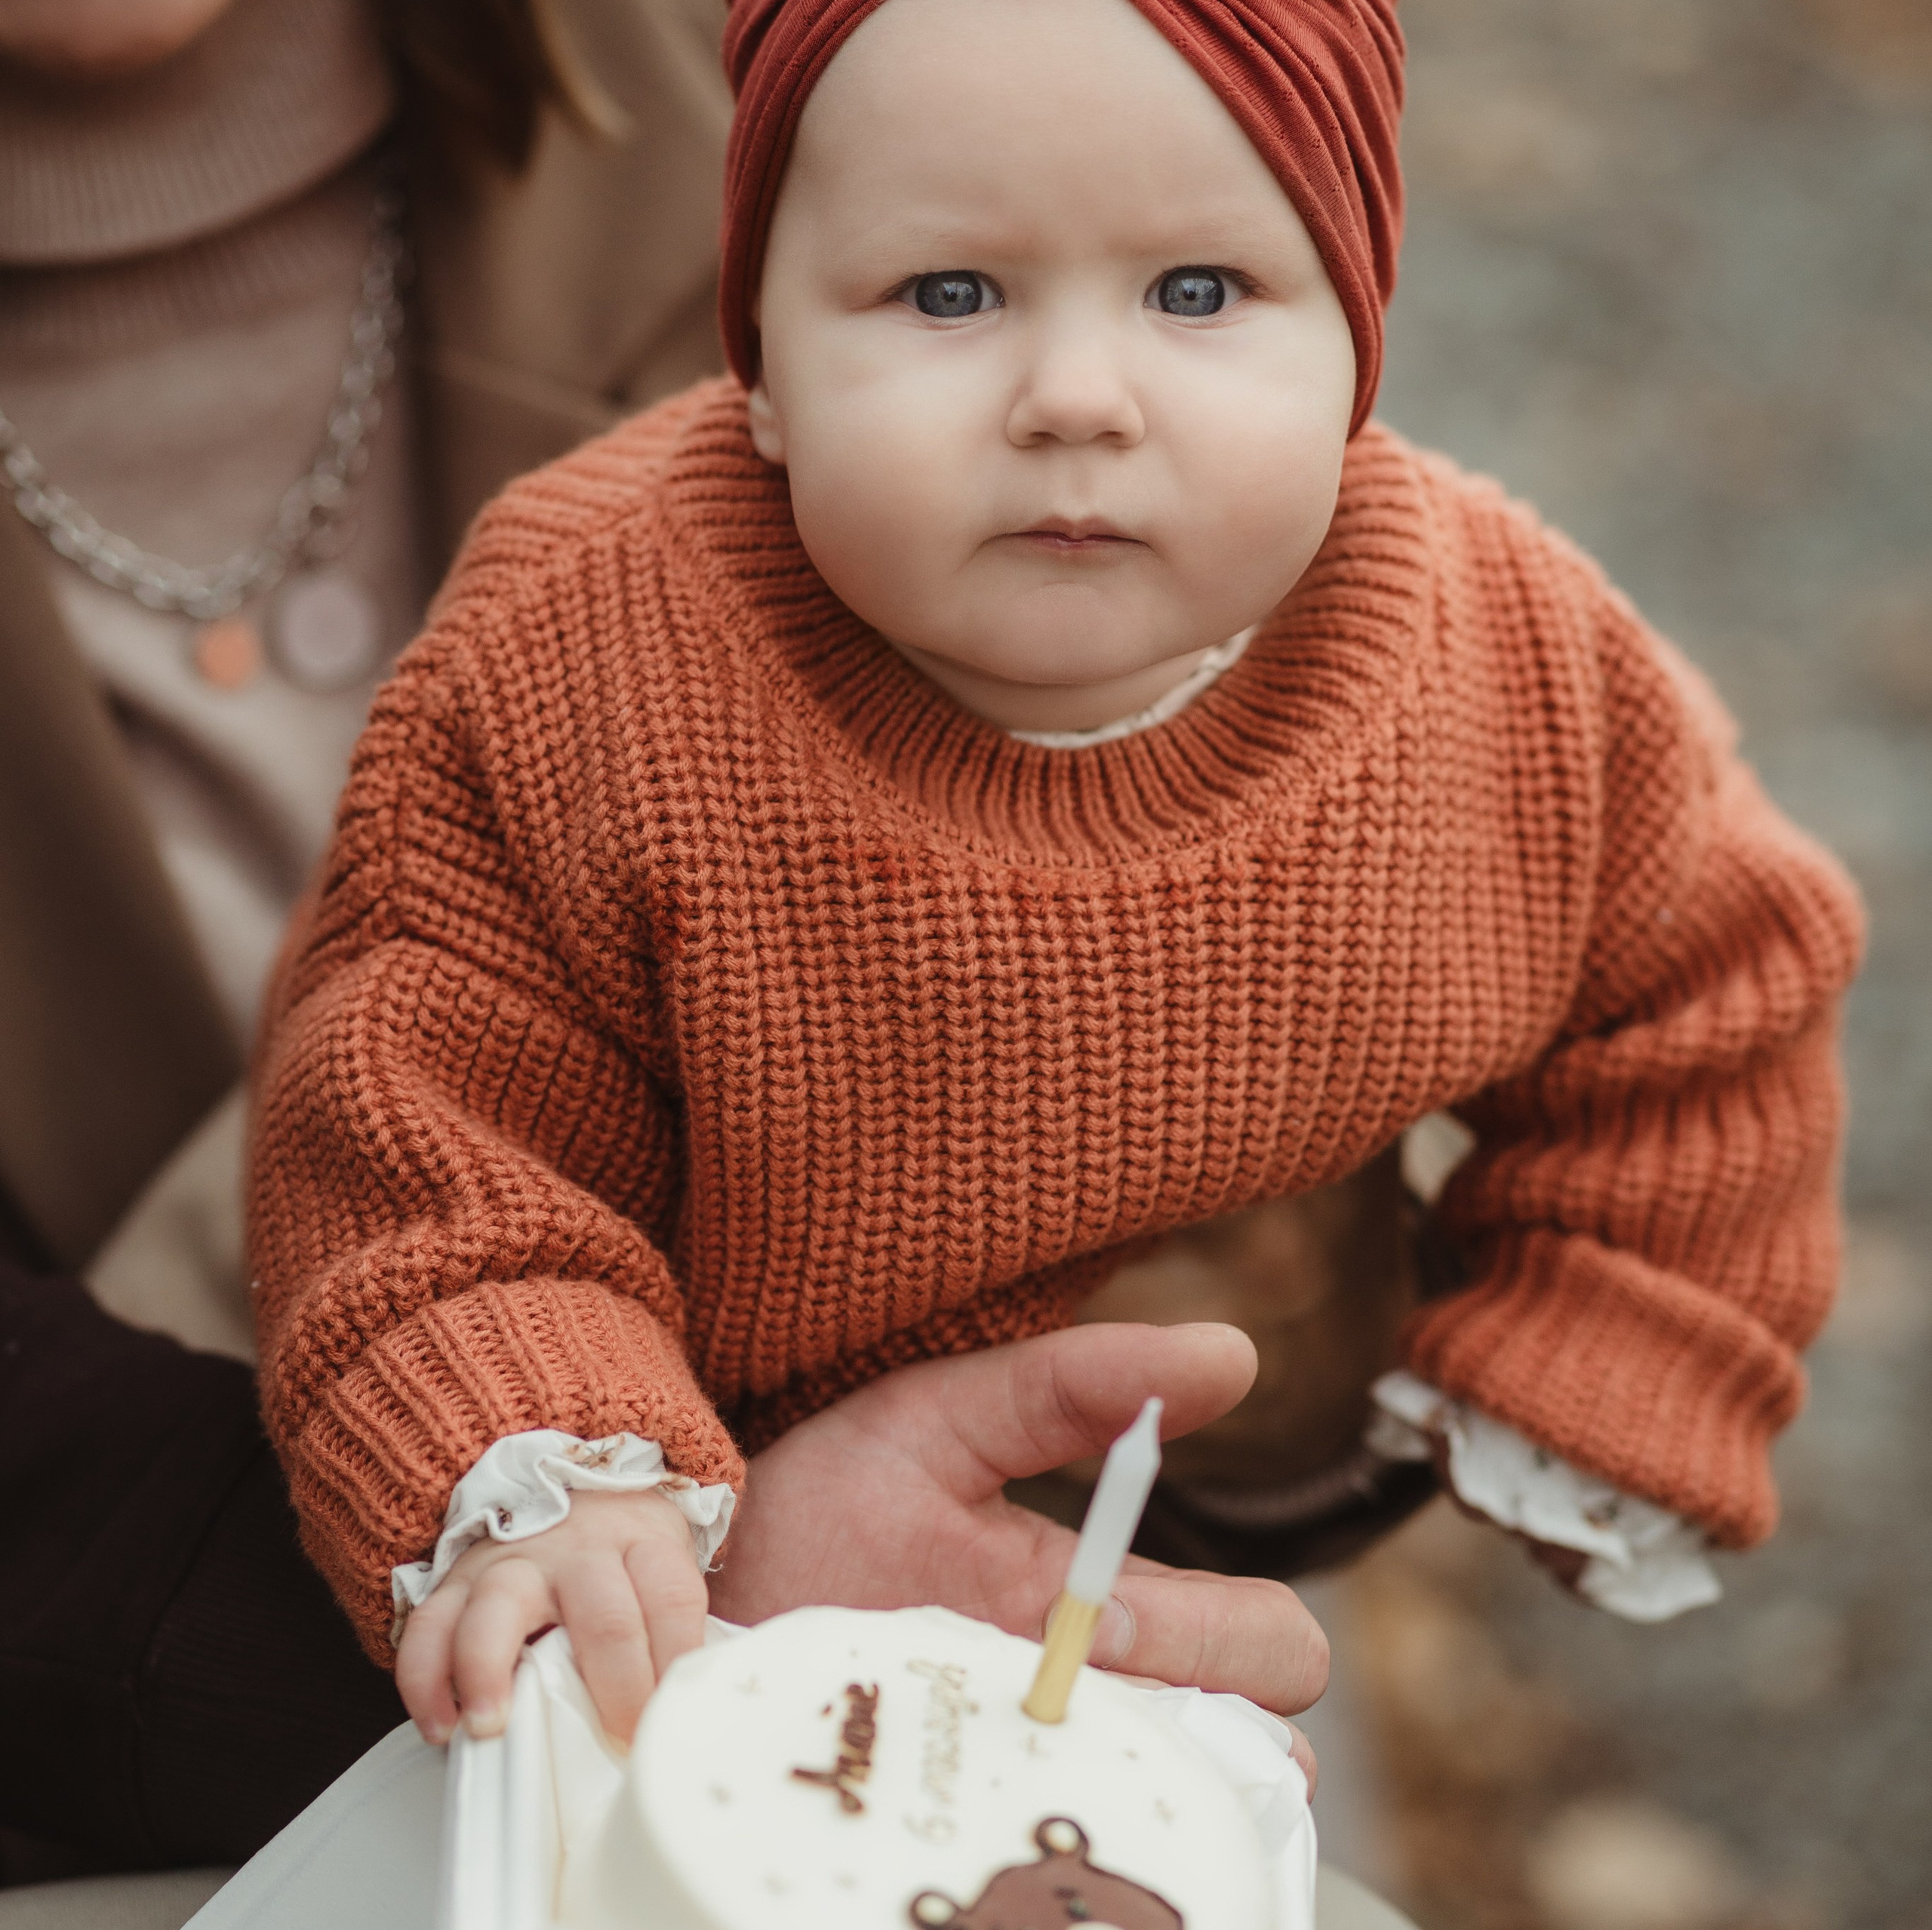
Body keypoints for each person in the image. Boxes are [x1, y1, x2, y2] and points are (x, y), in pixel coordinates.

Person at [245, 0, 1863, 1766]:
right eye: (948, 292)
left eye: (1196, 291)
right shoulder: (584, 658)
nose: (1076, 398)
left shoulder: (1506, 656)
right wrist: (545, 1453)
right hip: (725, 1527)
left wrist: (1610, 1339)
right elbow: (424, 1123)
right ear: (760, 359)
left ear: (1355, 338)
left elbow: (1716, 975)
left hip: (1221, 1477)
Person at [0, 0, 1411, 1884]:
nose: (1077, 393)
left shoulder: (876, 75)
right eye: (948, 296)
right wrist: (645, 1618)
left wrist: (1276, 1292)